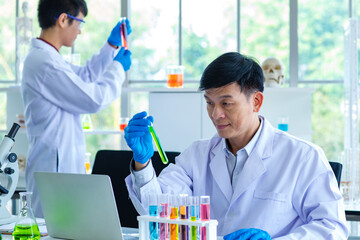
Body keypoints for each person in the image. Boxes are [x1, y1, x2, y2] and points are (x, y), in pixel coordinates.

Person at [124, 52, 349, 239]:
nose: (216, 114)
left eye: (226, 103)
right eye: (209, 103)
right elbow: (157, 212)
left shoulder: (303, 157)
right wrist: (142, 163)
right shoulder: (197, 155)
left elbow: (333, 227)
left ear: (256, 101)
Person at [21, 0, 132, 217]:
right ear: (63, 20)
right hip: (54, 171)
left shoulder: (50, 58)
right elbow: (93, 99)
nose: (80, 31)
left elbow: (85, 77)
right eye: (79, 23)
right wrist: (117, 68)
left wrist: (110, 48)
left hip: (61, 170)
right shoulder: (45, 63)